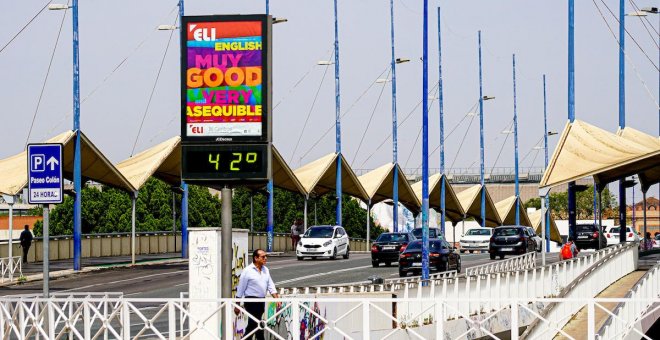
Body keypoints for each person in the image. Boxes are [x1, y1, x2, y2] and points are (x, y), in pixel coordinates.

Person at [235, 249, 280, 340]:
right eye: (263, 257)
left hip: (261, 301)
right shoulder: (247, 271)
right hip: (251, 301)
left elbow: (271, 286)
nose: (265, 258)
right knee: (255, 323)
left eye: (265, 256)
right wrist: (237, 305)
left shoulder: (265, 270)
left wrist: (277, 299)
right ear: (256, 258)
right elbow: (240, 288)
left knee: (257, 324)